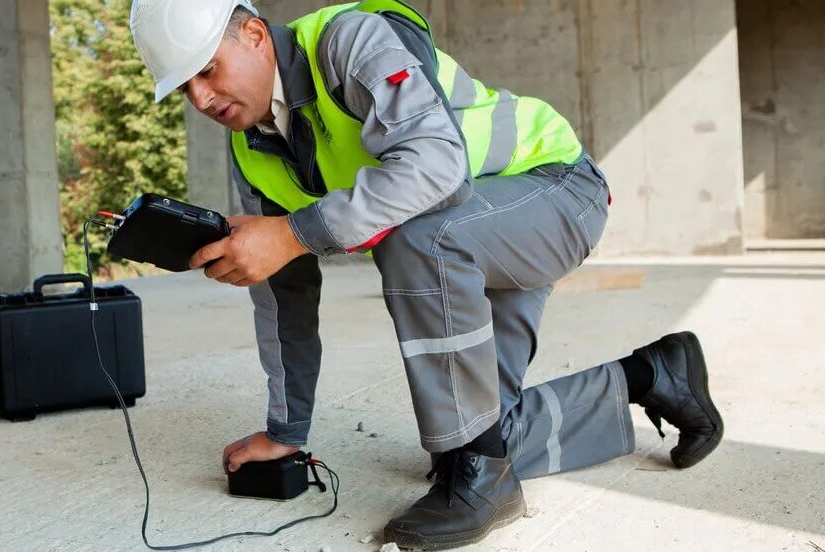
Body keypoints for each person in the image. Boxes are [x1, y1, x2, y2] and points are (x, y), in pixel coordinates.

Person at [129, 0, 724, 548]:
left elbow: (438, 166)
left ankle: (483, 486)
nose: (202, 99)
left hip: (554, 189)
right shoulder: (251, 149)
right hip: (469, 234)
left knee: (416, 239)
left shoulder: (349, 43)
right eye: (185, 87)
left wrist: (290, 233)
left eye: (208, 70)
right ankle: (655, 374)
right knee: (483, 434)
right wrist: (287, 431)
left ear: (256, 34)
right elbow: (282, 297)